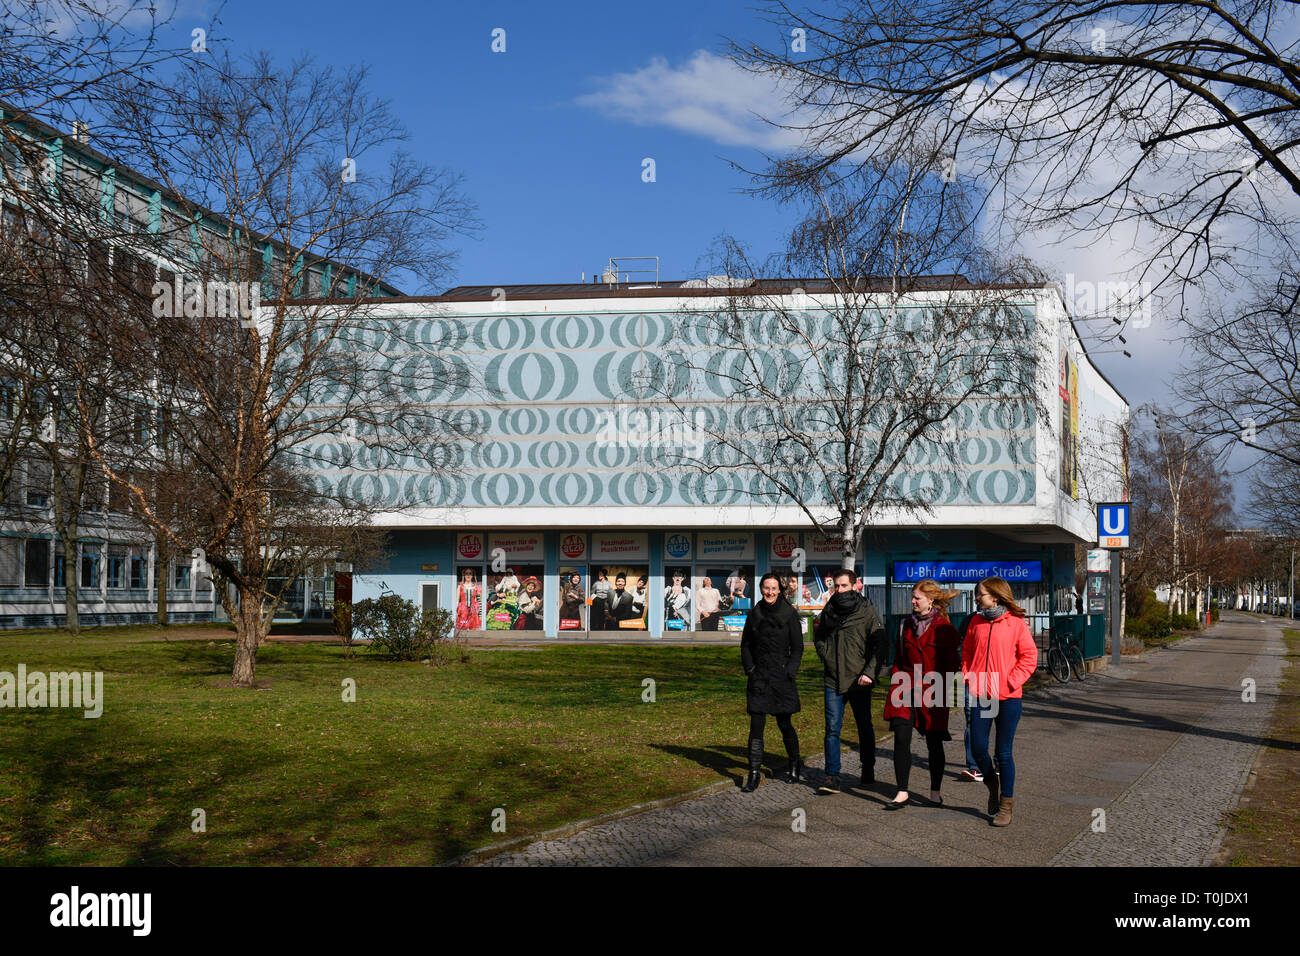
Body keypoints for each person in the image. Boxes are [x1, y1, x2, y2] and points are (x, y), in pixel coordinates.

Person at [963, 576, 1038, 826]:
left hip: (1007, 697)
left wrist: (1010, 682)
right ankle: (991, 781)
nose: (976, 597)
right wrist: (967, 675)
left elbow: (1029, 657)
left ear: (994, 596)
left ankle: (1006, 805)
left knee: (1003, 754)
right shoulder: (975, 621)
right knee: (978, 748)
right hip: (982, 696)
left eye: (980, 594)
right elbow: (967, 652)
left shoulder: (1015, 623)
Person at [881, 580, 962, 809]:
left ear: (931, 600)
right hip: (904, 687)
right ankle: (902, 791)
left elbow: (952, 664)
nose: (912, 601)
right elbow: (898, 657)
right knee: (901, 737)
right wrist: (897, 680)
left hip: (933, 689)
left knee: (934, 743)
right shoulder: (904, 624)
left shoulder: (944, 627)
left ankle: (935, 791)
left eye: (917, 597)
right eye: (912, 596)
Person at [812, 568, 886, 794]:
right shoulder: (829, 609)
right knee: (832, 729)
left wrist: (870, 673)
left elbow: (879, 644)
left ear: (855, 586)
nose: (840, 590)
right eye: (837, 586)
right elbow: (819, 637)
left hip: (859, 680)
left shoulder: (867, 610)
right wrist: (827, 658)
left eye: (844, 586)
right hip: (833, 678)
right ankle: (832, 776)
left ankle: (868, 769)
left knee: (864, 726)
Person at [739, 573, 804, 791]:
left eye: (774, 588)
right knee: (756, 726)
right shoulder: (754, 613)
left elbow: (797, 648)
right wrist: (750, 669)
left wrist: (790, 671)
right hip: (759, 677)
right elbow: (745, 645)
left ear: (780, 590)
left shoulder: (789, 614)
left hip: (782, 677)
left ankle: (794, 763)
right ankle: (754, 773)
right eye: (766, 588)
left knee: (784, 724)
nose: (770, 592)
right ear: (761, 589)